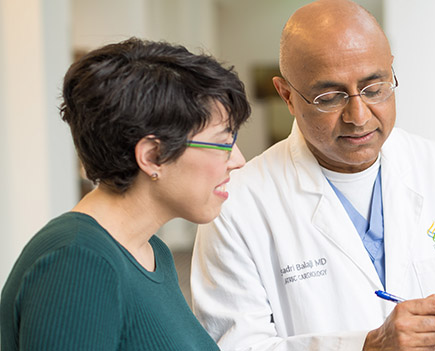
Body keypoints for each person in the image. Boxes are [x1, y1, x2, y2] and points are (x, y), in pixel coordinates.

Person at [190, 0, 435, 350]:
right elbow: (233, 345)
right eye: (330, 97)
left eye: (375, 89)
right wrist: (368, 347)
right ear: (287, 96)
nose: (358, 116)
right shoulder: (236, 205)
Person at [0, 38, 250, 350]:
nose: (238, 160)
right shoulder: (78, 262)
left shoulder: (151, 252)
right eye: (223, 142)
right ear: (153, 155)